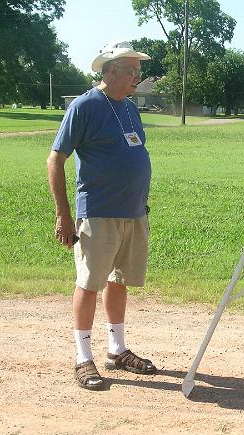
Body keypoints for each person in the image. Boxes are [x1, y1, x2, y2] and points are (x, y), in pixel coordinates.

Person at [47, 40, 157, 390]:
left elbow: (132, 155)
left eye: (138, 71)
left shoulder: (129, 108)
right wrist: (63, 215)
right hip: (97, 212)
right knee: (90, 282)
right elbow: (55, 160)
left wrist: (142, 198)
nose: (137, 77)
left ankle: (117, 350)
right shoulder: (84, 106)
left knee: (119, 280)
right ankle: (83, 357)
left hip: (133, 211)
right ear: (110, 71)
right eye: (132, 70)